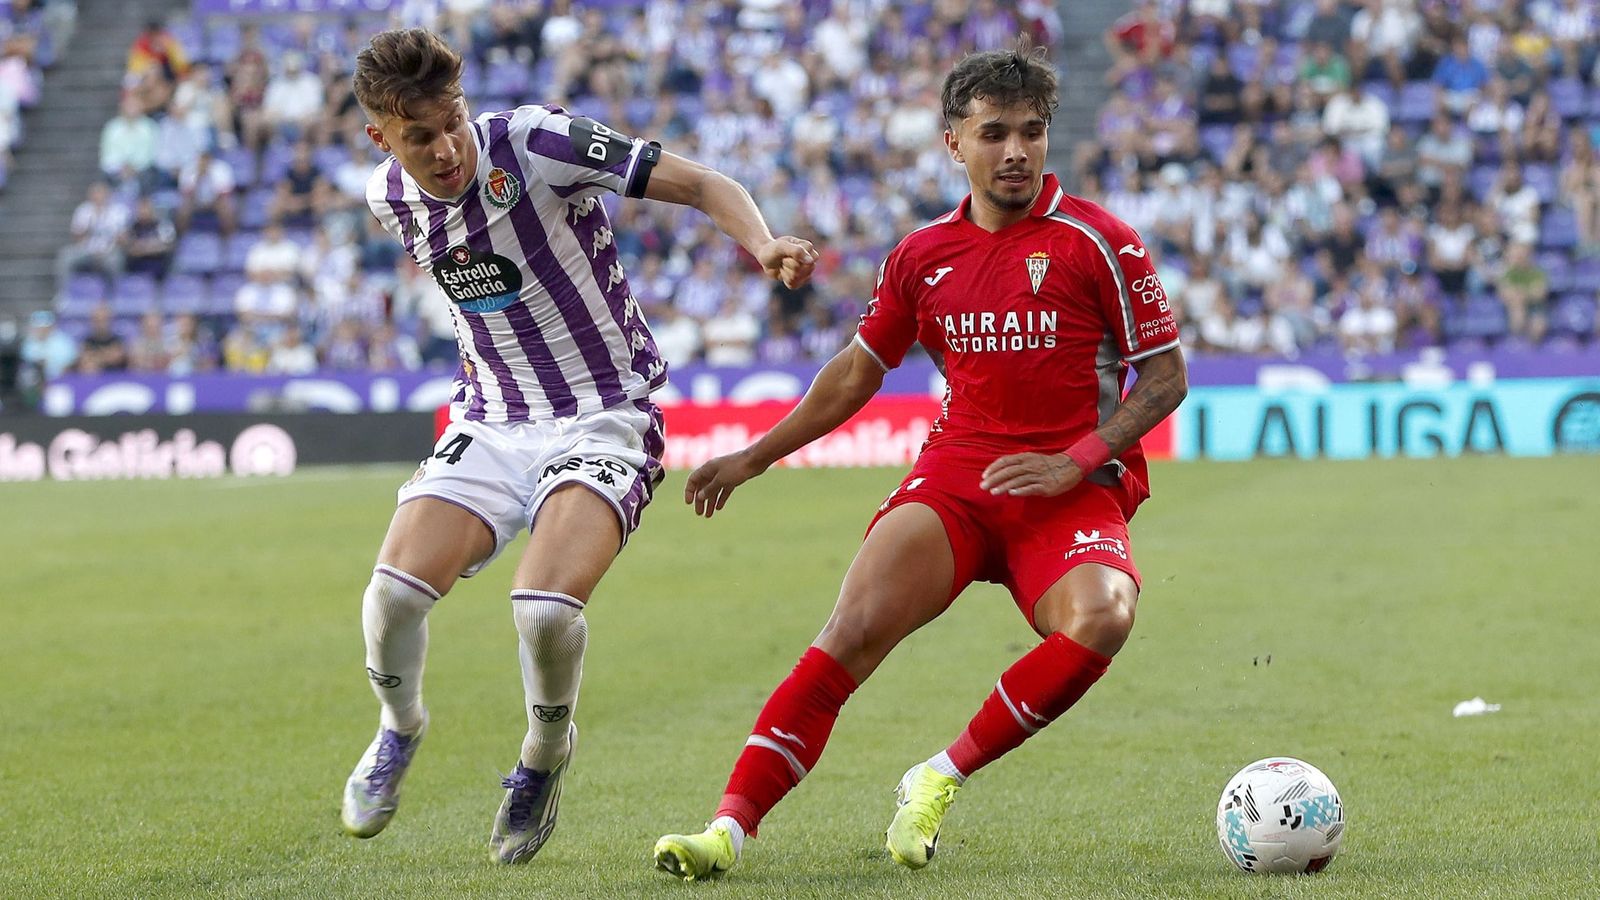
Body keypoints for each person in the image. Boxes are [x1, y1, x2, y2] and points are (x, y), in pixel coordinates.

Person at [653, 45, 1187, 881]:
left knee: (1105, 617)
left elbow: (1165, 377)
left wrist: (1074, 461)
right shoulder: (921, 255)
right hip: (957, 476)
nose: (1015, 151)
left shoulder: (1100, 241)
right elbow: (859, 371)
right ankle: (726, 829)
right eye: (994, 133)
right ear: (954, 143)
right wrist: (754, 457)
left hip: (1068, 488)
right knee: (851, 633)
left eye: (1032, 133)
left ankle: (938, 775)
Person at [336, 28, 816, 864]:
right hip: (491, 420)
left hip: (604, 414)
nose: (447, 148)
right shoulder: (388, 196)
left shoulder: (536, 141)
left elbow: (705, 183)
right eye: (420, 137)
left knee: (545, 610)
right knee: (390, 599)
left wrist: (762, 243)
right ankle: (399, 727)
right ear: (382, 137)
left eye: (452, 121)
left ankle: (544, 753)